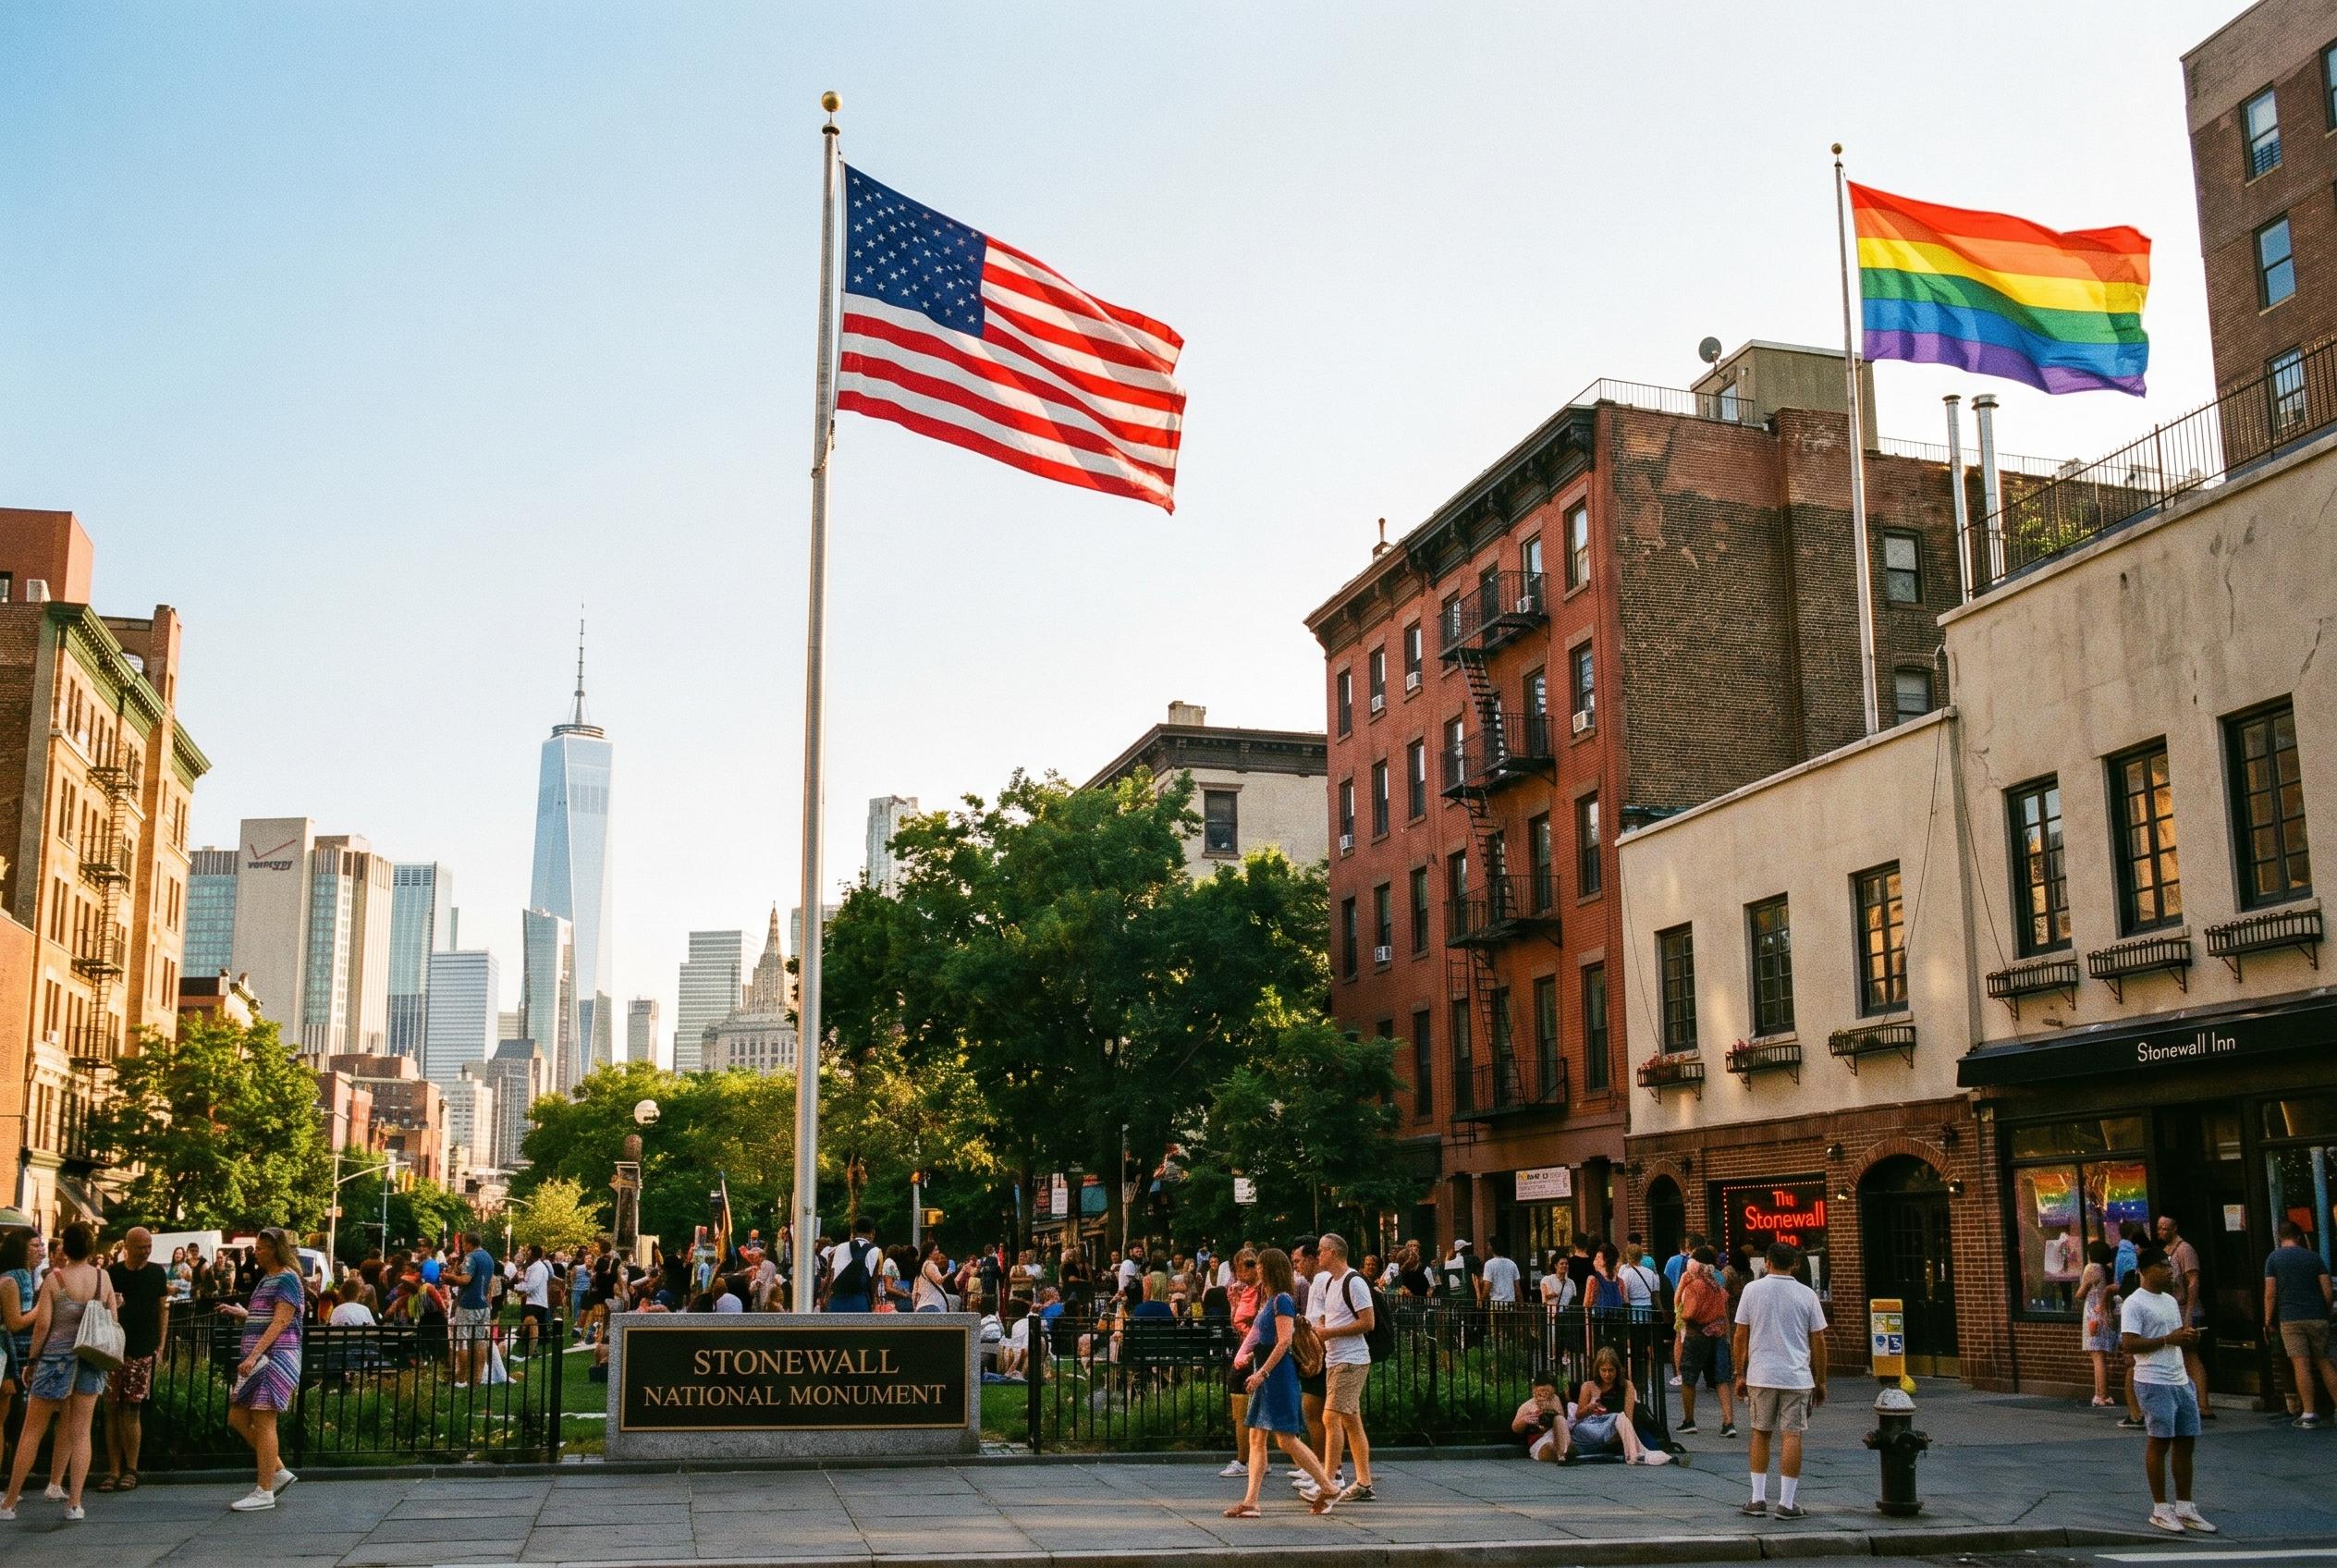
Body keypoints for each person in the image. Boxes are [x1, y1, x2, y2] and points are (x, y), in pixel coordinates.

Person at [0, 1220, 114, 1522]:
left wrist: (33, 1360)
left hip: (55, 1360)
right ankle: (74, 1504)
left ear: (65, 1246)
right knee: (81, 1433)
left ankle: (9, 1503)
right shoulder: (104, 1278)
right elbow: (113, 1318)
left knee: (32, 1431)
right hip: (90, 1360)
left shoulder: (55, 1279)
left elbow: (42, 1325)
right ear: (91, 1247)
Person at [1222, 1247, 1342, 1518]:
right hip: (1268, 1372)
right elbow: (1265, 1339)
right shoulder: (1271, 1299)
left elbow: (1285, 1341)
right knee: (1257, 1436)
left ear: (1271, 1269)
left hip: (1277, 1376)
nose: (1258, 1270)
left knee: (1286, 1439)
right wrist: (1251, 1358)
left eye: (1261, 1265)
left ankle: (1327, 1486)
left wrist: (1261, 1372)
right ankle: (1251, 1501)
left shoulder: (1282, 1301)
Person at [1732, 1240, 1827, 1520]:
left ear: (1767, 1263)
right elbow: (1818, 1340)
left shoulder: (1752, 1290)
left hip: (1761, 1373)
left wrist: (1740, 1372)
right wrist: (1820, 1380)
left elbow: (1740, 1334)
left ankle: (1757, 1498)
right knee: (1792, 1435)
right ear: (1795, 1264)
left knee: (1760, 1433)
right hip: (1796, 1375)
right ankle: (1786, 1502)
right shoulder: (1807, 1294)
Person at [2123, 1250, 2215, 1534]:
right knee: (2159, 1442)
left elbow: (2176, 1337)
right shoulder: (2134, 1303)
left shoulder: (2170, 1302)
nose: (2169, 1271)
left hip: (2178, 1378)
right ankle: (2160, 1508)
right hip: (2153, 1379)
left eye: (2169, 1266)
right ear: (2145, 1270)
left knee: (2186, 1441)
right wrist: (2168, 1339)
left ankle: (2185, 1506)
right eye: (2162, 1266)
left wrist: (2187, 1337)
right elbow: (2129, 1344)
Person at [220, 1228, 305, 1513]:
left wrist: (254, 1355)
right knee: (237, 1416)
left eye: (262, 1247)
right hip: (261, 1358)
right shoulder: (270, 1278)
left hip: (275, 1357)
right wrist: (244, 1314)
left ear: (276, 1249)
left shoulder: (288, 1279)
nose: (256, 1251)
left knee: (264, 1420)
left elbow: (282, 1322)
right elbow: (271, 1316)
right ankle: (276, 1470)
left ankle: (264, 1489)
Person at [1304, 1232, 1377, 1503]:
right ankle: (1364, 1482)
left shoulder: (1353, 1281)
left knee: (1330, 1418)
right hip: (1338, 1359)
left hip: (1351, 1359)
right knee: (1350, 1421)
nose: (1318, 1255)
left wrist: (1329, 1332)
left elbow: (1368, 1322)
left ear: (1333, 1252)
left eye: (1321, 1251)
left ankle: (1329, 1481)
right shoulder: (1332, 1283)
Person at [99, 1226, 166, 1493]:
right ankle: (113, 1469)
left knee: (132, 1409)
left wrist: (161, 1345)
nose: (146, 1251)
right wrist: (112, 1303)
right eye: (141, 1247)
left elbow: (163, 1310)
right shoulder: (112, 1274)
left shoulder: (156, 1273)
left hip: (143, 1348)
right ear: (128, 1246)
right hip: (115, 1349)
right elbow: (100, 1307)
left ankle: (132, 1468)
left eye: (149, 1246)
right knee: (112, 1408)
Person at [2263, 1220, 2337, 1429]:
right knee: (2324, 1362)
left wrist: (2268, 1320)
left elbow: (2270, 1293)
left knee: (2301, 1363)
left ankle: (2309, 1412)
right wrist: (2327, 1312)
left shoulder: (2274, 1258)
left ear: (2279, 1236)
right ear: (2299, 1236)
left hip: (2290, 1317)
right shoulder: (2314, 1258)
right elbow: (2327, 1291)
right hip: (2318, 1317)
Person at [1571, 1345, 1672, 1464]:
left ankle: (1631, 1452)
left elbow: (1628, 1417)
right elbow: (1578, 1416)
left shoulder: (1626, 1385)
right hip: (1593, 1426)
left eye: (1611, 1370)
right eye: (1604, 1370)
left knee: (1620, 1418)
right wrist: (1589, 1408)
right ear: (1597, 1370)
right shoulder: (1588, 1386)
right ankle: (1630, 1451)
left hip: (1616, 1425)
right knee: (1581, 1429)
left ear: (1617, 1370)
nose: (1607, 1374)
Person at [1674, 1245, 1735, 1438]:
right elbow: (1725, 1312)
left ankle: (1689, 1420)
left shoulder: (1694, 1285)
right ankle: (1728, 1422)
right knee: (1721, 1379)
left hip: (1697, 1335)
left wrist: (1682, 1312)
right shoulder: (1718, 1286)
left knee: (1689, 1377)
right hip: (1718, 1335)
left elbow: (1689, 1312)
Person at [2155, 1214, 2211, 1419]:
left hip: (2186, 1308)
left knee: (2190, 1355)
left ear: (2175, 1228)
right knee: (2178, 1358)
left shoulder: (2185, 1249)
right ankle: (2188, 1403)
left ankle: (2204, 1405)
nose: (2162, 1232)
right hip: (2172, 1310)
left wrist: (2189, 1314)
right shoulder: (2164, 1251)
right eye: (2159, 1228)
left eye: (2166, 1228)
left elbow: (2193, 1281)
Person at [0, 1231, 41, 1487]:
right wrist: (42, 1308)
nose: (41, 1250)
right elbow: (16, 1321)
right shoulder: (18, 1278)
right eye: (35, 1245)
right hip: (7, 1352)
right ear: (21, 1249)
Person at [1217, 1248, 1262, 1478]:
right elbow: (1237, 1321)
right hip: (1245, 1347)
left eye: (1251, 1264)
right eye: (1243, 1265)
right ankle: (1254, 1456)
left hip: (1252, 1351)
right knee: (1247, 1404)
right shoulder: (1246, 1291)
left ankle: (1245, 1458)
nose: (1247, 1269)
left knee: (1245, 1404)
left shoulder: (1261, 1291)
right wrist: (1234, 1303)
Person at [447, 1231, 496, 1388]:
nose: (462, 1247)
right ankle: (477, 1379)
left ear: (469, 1243)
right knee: (480, 1341)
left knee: (462, 1341)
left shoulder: (471, 1257)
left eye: (463, 1244)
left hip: (468, 1303)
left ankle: (461, 1379)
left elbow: (465, 1279)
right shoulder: (488, 1257)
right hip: (483, 1304)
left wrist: (450, 1278)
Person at [2079, 1240, 2122, 1408]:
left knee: (2097, 1356)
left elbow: (2080, 1293)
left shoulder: (2091, 1268)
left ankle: (2102, 1395)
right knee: (2101, 1355)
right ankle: (2101, 1394)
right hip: (2105, 1315)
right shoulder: (2107, 1270)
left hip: (2093, 1315)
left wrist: (2085, 1285)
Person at [1512, 1374, 1572, 1464]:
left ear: (1554, 1390)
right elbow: (1515, 1428)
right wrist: (1524, 1420)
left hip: (1557, 1435)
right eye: (1541, 1391)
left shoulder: (1555, 1399)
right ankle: (1563, 1455)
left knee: (1560, 1419)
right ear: (1534, 1389)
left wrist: (1553, 1410)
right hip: (1540, 1440)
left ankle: (1563, 1454)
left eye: (1547, 1391)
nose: (1544, 1394)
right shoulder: (1527, 1405)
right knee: (1550, 1448)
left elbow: (1562, 1420)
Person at [826, 1218, 879, 1313]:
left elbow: (831, 1276)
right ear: (872, 1232)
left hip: (836, 1300)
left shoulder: (839, 1248)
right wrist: (872, 1301)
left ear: (854, 1231)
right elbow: (873, 1283)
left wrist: (826, 1299)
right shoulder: (875, 1251)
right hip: (859, 1301)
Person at [1481, 1237, 1521, 1310]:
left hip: (1496, 1304)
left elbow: (1487, 1286)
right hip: (1510, 1303)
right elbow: (1517, 1287)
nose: (1487, 1247)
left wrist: (1481, 1299)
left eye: (1488, 1245)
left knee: (1497, 1321)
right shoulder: (1512, 1264)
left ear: (1492, 1247)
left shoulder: (1489, 1264)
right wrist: (1520, 1303)